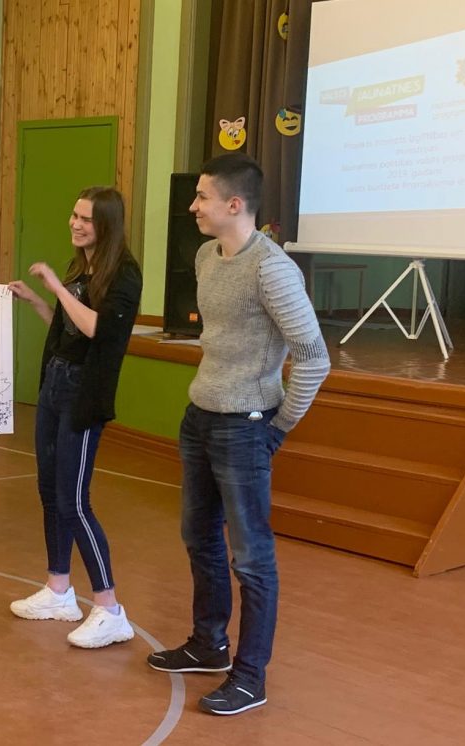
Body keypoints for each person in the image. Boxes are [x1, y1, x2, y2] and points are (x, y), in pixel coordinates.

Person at [147, 153, 330, 715]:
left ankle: (250, 677)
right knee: (199, 537)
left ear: (234, 204)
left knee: (251, 557)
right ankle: (209, 644)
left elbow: (314, 356)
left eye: (202, 197)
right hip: (200, 416)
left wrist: (279, 427)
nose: (193, 206)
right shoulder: (206, 256)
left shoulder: (272, 270)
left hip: (247, 426)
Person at [7, 186, 143, 649]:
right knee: (49, 490)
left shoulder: (124, 273)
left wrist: (57, 288)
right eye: (74, 215)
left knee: (75, 500)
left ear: (106, 225)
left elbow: (97, 329)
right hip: (56, 384)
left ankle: (109, 608)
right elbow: (69, 329)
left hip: (83, 396)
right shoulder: (80, 267)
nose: (76, 224)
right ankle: (58, 590)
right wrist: (37, 301)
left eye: (86, 219)